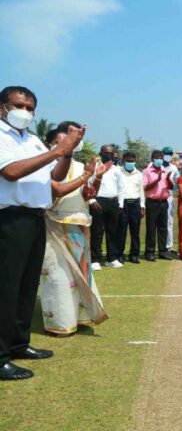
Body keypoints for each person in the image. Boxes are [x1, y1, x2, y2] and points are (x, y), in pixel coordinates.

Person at [0, 85, 83, 381]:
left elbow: (53, 179)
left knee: (26, 285)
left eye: (30, 108)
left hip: (34, 217)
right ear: (2, 107)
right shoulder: (1, 136)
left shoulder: (32, 139)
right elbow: (10, 172)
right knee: (6, 288)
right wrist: (58, 150)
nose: (25, 112)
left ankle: (19, 344)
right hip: (9, 218)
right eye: (18, 105)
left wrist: (67, 155)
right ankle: (0, 358)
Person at [41, 122, 109, 336]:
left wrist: (96, 179)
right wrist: (85, 176)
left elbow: (87, 196)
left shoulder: (81, 166)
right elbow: (55, 193)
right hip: (53, 224)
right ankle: (60, 323)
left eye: (72, 140)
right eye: (62, 142)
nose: (68, 144)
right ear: (51, 144)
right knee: (58, 277)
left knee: (81, 273)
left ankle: (81, 316)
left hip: (78, 226)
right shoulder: (46, 165)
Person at [90, 144, 123, 269]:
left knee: (112, 231)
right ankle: (95, 259)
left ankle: (111, 258)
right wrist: (92, 200)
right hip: (98, 201)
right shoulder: (94, 167)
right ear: (100, 154)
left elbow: (121, 188)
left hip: (113, 202)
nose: (108, 155)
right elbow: (89, 183)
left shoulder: (116, 169)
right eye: (106, 153)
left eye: (110, 153)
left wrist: (120, 204)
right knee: (97, 231)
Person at [142, 150, 175, 262]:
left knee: (163, 228)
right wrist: (157, 179)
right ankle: (149, 252)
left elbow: (171, 187)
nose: (159, 159)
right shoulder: (146, 171)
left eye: (161, 157)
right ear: (152, 159)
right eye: (157, 157)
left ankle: (162, 251)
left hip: (163, 202)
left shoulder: (165, 171)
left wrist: (168, 179)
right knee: (151, 228)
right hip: (152, 202)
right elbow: (146, 187)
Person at [117, 151, 145, 264]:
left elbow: (141, 191)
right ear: (123, 161)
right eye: (128, 161)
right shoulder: (118, 172)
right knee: (121, 231)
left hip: (135, 204)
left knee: (135, 231)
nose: (130, 163)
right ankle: (120, 254)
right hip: (122, 205)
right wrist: (119, 205)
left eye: (132, 161)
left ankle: (134, 255)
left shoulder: (139, 174)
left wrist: (142, 206)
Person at [161, 146, 180, 255]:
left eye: (170, 154)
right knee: (156, 223)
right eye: (166, 153)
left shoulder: (173, 168)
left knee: (169, 222)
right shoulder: (153, 165)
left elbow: (178, 181)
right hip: (156, 198)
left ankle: (168, 246)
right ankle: (155, 246)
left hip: (168, 197)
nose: (168, 155)